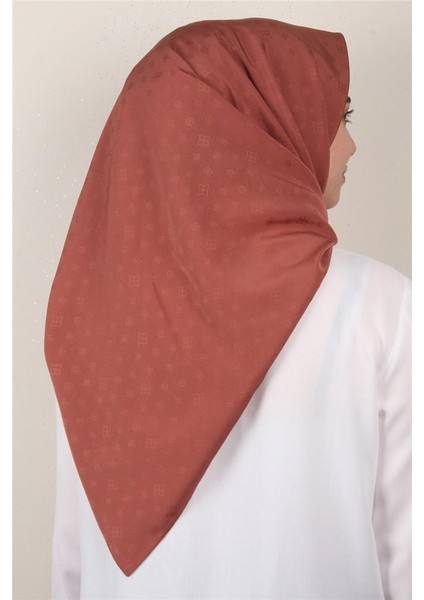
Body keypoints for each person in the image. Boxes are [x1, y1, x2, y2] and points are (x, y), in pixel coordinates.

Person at [45, 17, 411, 600]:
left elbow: (74, 561)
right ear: (258, 126)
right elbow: (408, 553)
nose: (351, 144)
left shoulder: (88, 315)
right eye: (338, 117)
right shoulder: (379, 306)